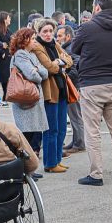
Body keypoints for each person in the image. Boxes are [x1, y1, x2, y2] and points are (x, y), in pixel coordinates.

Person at [72, 0, 112, 186]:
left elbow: (75, 48)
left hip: (92, 83)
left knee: (92, 130)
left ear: (97, 7)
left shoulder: (87, 27)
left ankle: (96, 174)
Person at [32, 19, 73, 174]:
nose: (48, 34)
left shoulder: (54, 44)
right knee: (51, 129)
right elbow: (49, 67)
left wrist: (59, 62)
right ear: (39, 32)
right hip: (49, 93)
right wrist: (60, 65)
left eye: (50, 31)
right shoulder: (37, 46)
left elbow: (69, 60)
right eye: (45, 31)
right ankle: (50, 163)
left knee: (61, 129)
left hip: (62, 91)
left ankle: (57, 160)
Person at [8, 28, 48, 168]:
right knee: (26, 138)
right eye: (33, 39)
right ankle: (24, 169)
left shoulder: (31, 55)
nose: (35, 42)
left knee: (32, 136)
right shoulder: (20, 55)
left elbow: (45, 72)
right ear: (25, 40)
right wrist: (37, 71)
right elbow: (33, 75)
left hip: (33, 99)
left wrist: (38, 70)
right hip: (25, 101)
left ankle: (28, 169)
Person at [58, 25, 85, 156]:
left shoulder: (71, 49)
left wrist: (65, 76)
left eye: (59, 36)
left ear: (68, 36)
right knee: (74, 115)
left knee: (75, 116)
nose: (57, 38)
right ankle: (76, 141)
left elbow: (75, 68)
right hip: (72, 85)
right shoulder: (68, 48)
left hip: (73, 86)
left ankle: (79, 143)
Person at [0, 11, 13, 103]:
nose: (10, 19)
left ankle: (6, 96)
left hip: (7, 57)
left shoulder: (8, 31)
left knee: (6, 77)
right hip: (0, 58)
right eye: (8, 18)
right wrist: (2, 51)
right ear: (4, 19)